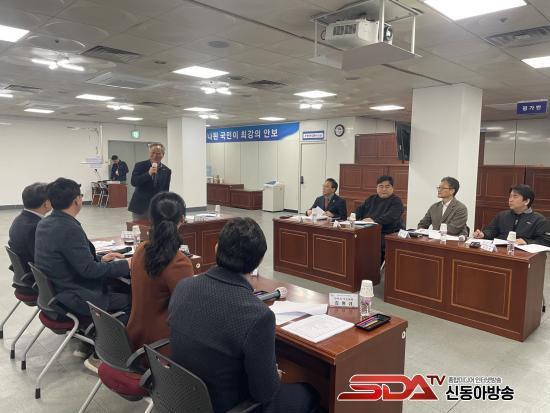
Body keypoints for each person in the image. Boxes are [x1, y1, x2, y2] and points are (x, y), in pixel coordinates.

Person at [169, 218, 319, 413]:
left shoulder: (184, 286)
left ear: (216, 248)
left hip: (183, 398)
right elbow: (264, 393)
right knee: (309, 393)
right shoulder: (258, 316)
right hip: (229, 406)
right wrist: (275, 376)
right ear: (259, 261)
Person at [34, 178, 132, 370]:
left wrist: (100, 259)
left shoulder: (46, 223)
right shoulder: (69, 227)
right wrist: (127, 265)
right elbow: (89, 271)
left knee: (117, 285)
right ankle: (100, 354)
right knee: (131, 301)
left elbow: (71, 259)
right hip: (74, 295)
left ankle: (87, 341)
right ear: (77, 200)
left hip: (58, 291)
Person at [126, 192, 194, 354]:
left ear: (150, 219)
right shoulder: (179, 262)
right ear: (182, 219)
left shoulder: (140, 249)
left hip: (134, 339)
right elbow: (189, 311)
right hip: (160, 349)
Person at [474, 185, 550, 246]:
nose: (510, 200)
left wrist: (527, 241)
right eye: (510, 196)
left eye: (515, 196)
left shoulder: (539, 220)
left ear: (526, 201)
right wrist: (483, 234)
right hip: (501, 252)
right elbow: (491, 231)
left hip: (523, 255)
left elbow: (545, 241)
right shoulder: (502, 215)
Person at [355, 175, 404, 262]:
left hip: (387, 232)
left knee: (370, 243)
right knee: (353, 239)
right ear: (377, 188)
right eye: (381, 186)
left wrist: (374, 221)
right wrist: (352, 217)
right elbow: (359, 211)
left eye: (387, 187)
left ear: (392, 188)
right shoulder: (371, 199)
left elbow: (390, 217)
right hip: (368, 230)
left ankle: (373, 268)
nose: (384, 189)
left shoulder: (396, 201)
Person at [8, 183, 51, 275]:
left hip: (25, 270)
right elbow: (44, 261)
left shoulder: (19, 219)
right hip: (36, 275)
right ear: (46, 204)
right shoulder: (36, 227)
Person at [128, 143, 171, 220]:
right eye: (153, 153)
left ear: (163, 155)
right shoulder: (140, 165)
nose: (155, 155)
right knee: (140, 226)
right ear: (149, 153)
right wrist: (148, 174)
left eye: (158, 153)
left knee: (156, 227)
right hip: (141, 207)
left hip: (157, 207)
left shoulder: (167, 170)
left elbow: (165, 190)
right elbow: (134, 182)